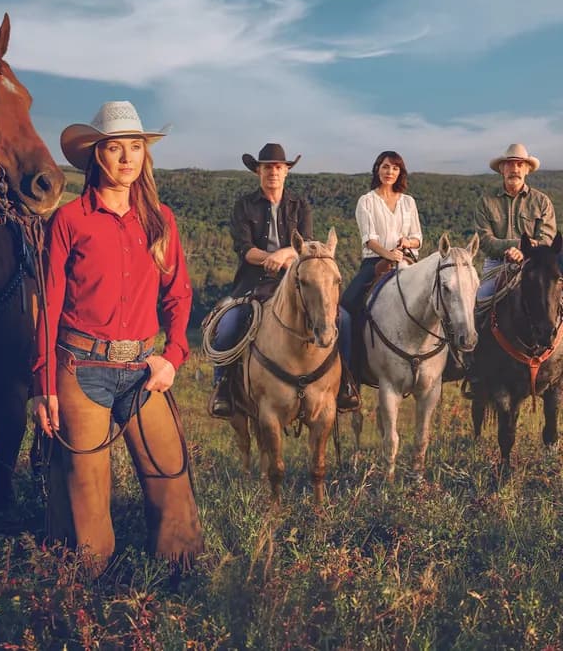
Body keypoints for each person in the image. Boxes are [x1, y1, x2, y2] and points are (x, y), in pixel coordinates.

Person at [30, 100, 202, 573]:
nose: (128, 158)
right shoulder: (69, 221)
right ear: (95, 155)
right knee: (86, 492)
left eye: (136, 147)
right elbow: (48, 305)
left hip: (144, 369)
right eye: (115, 148)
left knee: (171, 477)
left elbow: (178, 294)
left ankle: (179, 583)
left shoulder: (160, 219)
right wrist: (44, 384)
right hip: (81, 367)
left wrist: (173, 356)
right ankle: (86, 588)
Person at [208, 143, 359, 417]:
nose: (273, 172)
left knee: (344, 320)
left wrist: (282, 255)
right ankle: (223, 386)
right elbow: (245, 249)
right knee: (229, 323)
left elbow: (307, 243)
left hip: (296, 282)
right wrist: (270, 258)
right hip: (254, 283)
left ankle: (346, 382)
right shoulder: (244, 206)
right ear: (258, 171)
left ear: (286, 171)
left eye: (278, 167)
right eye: (267, 167)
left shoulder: (300, 206)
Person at [341, 151, 423, 316]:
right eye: (385, 167)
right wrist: (389, 255)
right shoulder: (366, 201)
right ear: (377, 169)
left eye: (395, 168)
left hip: (407, 259)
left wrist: (408, 242)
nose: (389, 172)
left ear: (400, 173)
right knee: (347, 303)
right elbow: (369, 240)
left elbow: (417, 238)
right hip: (375, 261)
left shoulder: (408, 202)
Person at [474, 143, 555, 299]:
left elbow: (546, 240)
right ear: (502, 169)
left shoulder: (542, 202)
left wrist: (524, 250)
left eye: (520, 164)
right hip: (497, 264)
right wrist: (517, 245)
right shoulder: (485, 202)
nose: (515, 169)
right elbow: (485, 240)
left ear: (527, 169)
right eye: (510, 164)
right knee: (480, 299)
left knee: (554, 300)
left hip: (533, 262)